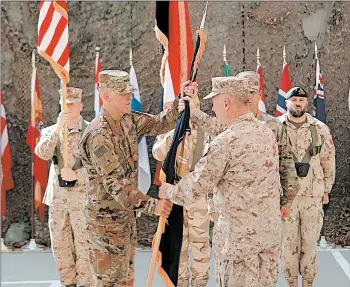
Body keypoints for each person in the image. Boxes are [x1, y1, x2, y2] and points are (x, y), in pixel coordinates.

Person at [78, 70, 199, 286]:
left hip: (125, 221)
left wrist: (181, 100)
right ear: (105, 96)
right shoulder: (98, 135)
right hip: (105, 226)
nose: (128, 97)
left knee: (125, 281)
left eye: (129, 92)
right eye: (122, 93)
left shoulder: (128, 120)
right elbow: (117, 186)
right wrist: (153, 205)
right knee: (110, 283)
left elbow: (160, 123)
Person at [159, 76, 282, 287]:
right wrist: (193, 114)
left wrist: (168, 191)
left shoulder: (225, 143)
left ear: (226, 103)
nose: (213, 109)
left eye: (214, 103)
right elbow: (225, 129)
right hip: (267, 240)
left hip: (238, 247)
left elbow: (195, 188)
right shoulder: (265, 131)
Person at [277, 86, 336, 287]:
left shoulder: (320, 129)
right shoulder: (276, 127)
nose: (298, 104)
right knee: (288, 245)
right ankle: (291, 283)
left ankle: (308, 283)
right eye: (294, 100)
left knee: (310, 244)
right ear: (286, 103)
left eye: (301, 101)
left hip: (313, 196)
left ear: (306, 103)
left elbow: (328, 160)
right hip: (286, 198)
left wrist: (327, 189)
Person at [35, 87, 92, 287]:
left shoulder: (92, 132)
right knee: (61, 249)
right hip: (58, 201)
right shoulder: (51, 131)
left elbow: (101, 169)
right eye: (66, 104)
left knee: (85, 251)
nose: (69, 107)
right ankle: (68, 283)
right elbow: (42, 153)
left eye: (73, 104)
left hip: (83, 201)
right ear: (60, 105)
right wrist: (59, 128)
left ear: (81, 106)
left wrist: (78, 175)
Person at [152, 96, 211, 287]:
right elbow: (157, 153)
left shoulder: (206, 131)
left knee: (201, 250)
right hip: (174, 195)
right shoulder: (171, 130)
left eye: (192, 104)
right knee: (179, 249)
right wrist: (175, 133)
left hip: (197, 198)